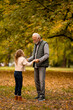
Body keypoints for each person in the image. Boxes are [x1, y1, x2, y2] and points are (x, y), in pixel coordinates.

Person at [28, 33, 49, 101]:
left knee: (41, 81)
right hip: (36, 65)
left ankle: (42, 96)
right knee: (36, 81)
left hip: (42, 65)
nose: (33, 41)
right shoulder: (35, 45)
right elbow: (34, 56)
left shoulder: (45, 44)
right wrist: (27, 59)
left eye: (34, 39)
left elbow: (46, 55)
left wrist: (39, 60)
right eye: (33, 40)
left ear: (38, 38)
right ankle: (39, 94)